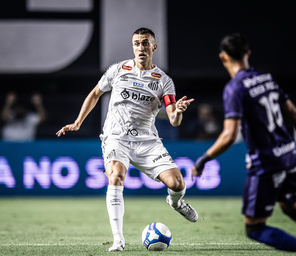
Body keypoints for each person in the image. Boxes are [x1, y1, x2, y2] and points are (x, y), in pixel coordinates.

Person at [56, 27, 198, 251]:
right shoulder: (118, 70)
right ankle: (118, 240)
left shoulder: (164, 81)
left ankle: (176, 202)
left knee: (177, 183)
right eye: (136, 43)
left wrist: (178, 110)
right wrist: (78, 121)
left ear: (154, 47)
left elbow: (173, 120)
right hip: (116, 137)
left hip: (147, 142)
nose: (140, 47)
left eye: (145, 43)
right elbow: (95, 93)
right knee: (116, 176)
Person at [192, 33, 296, 252]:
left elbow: (229, 135)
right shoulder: (266, 77)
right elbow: (292, 111)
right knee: (289, 206)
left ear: (223, 57)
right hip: (289, 154)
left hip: (266, 163)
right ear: (248, 53)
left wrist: (205, 158)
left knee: (255, 228)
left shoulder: (235, 88)